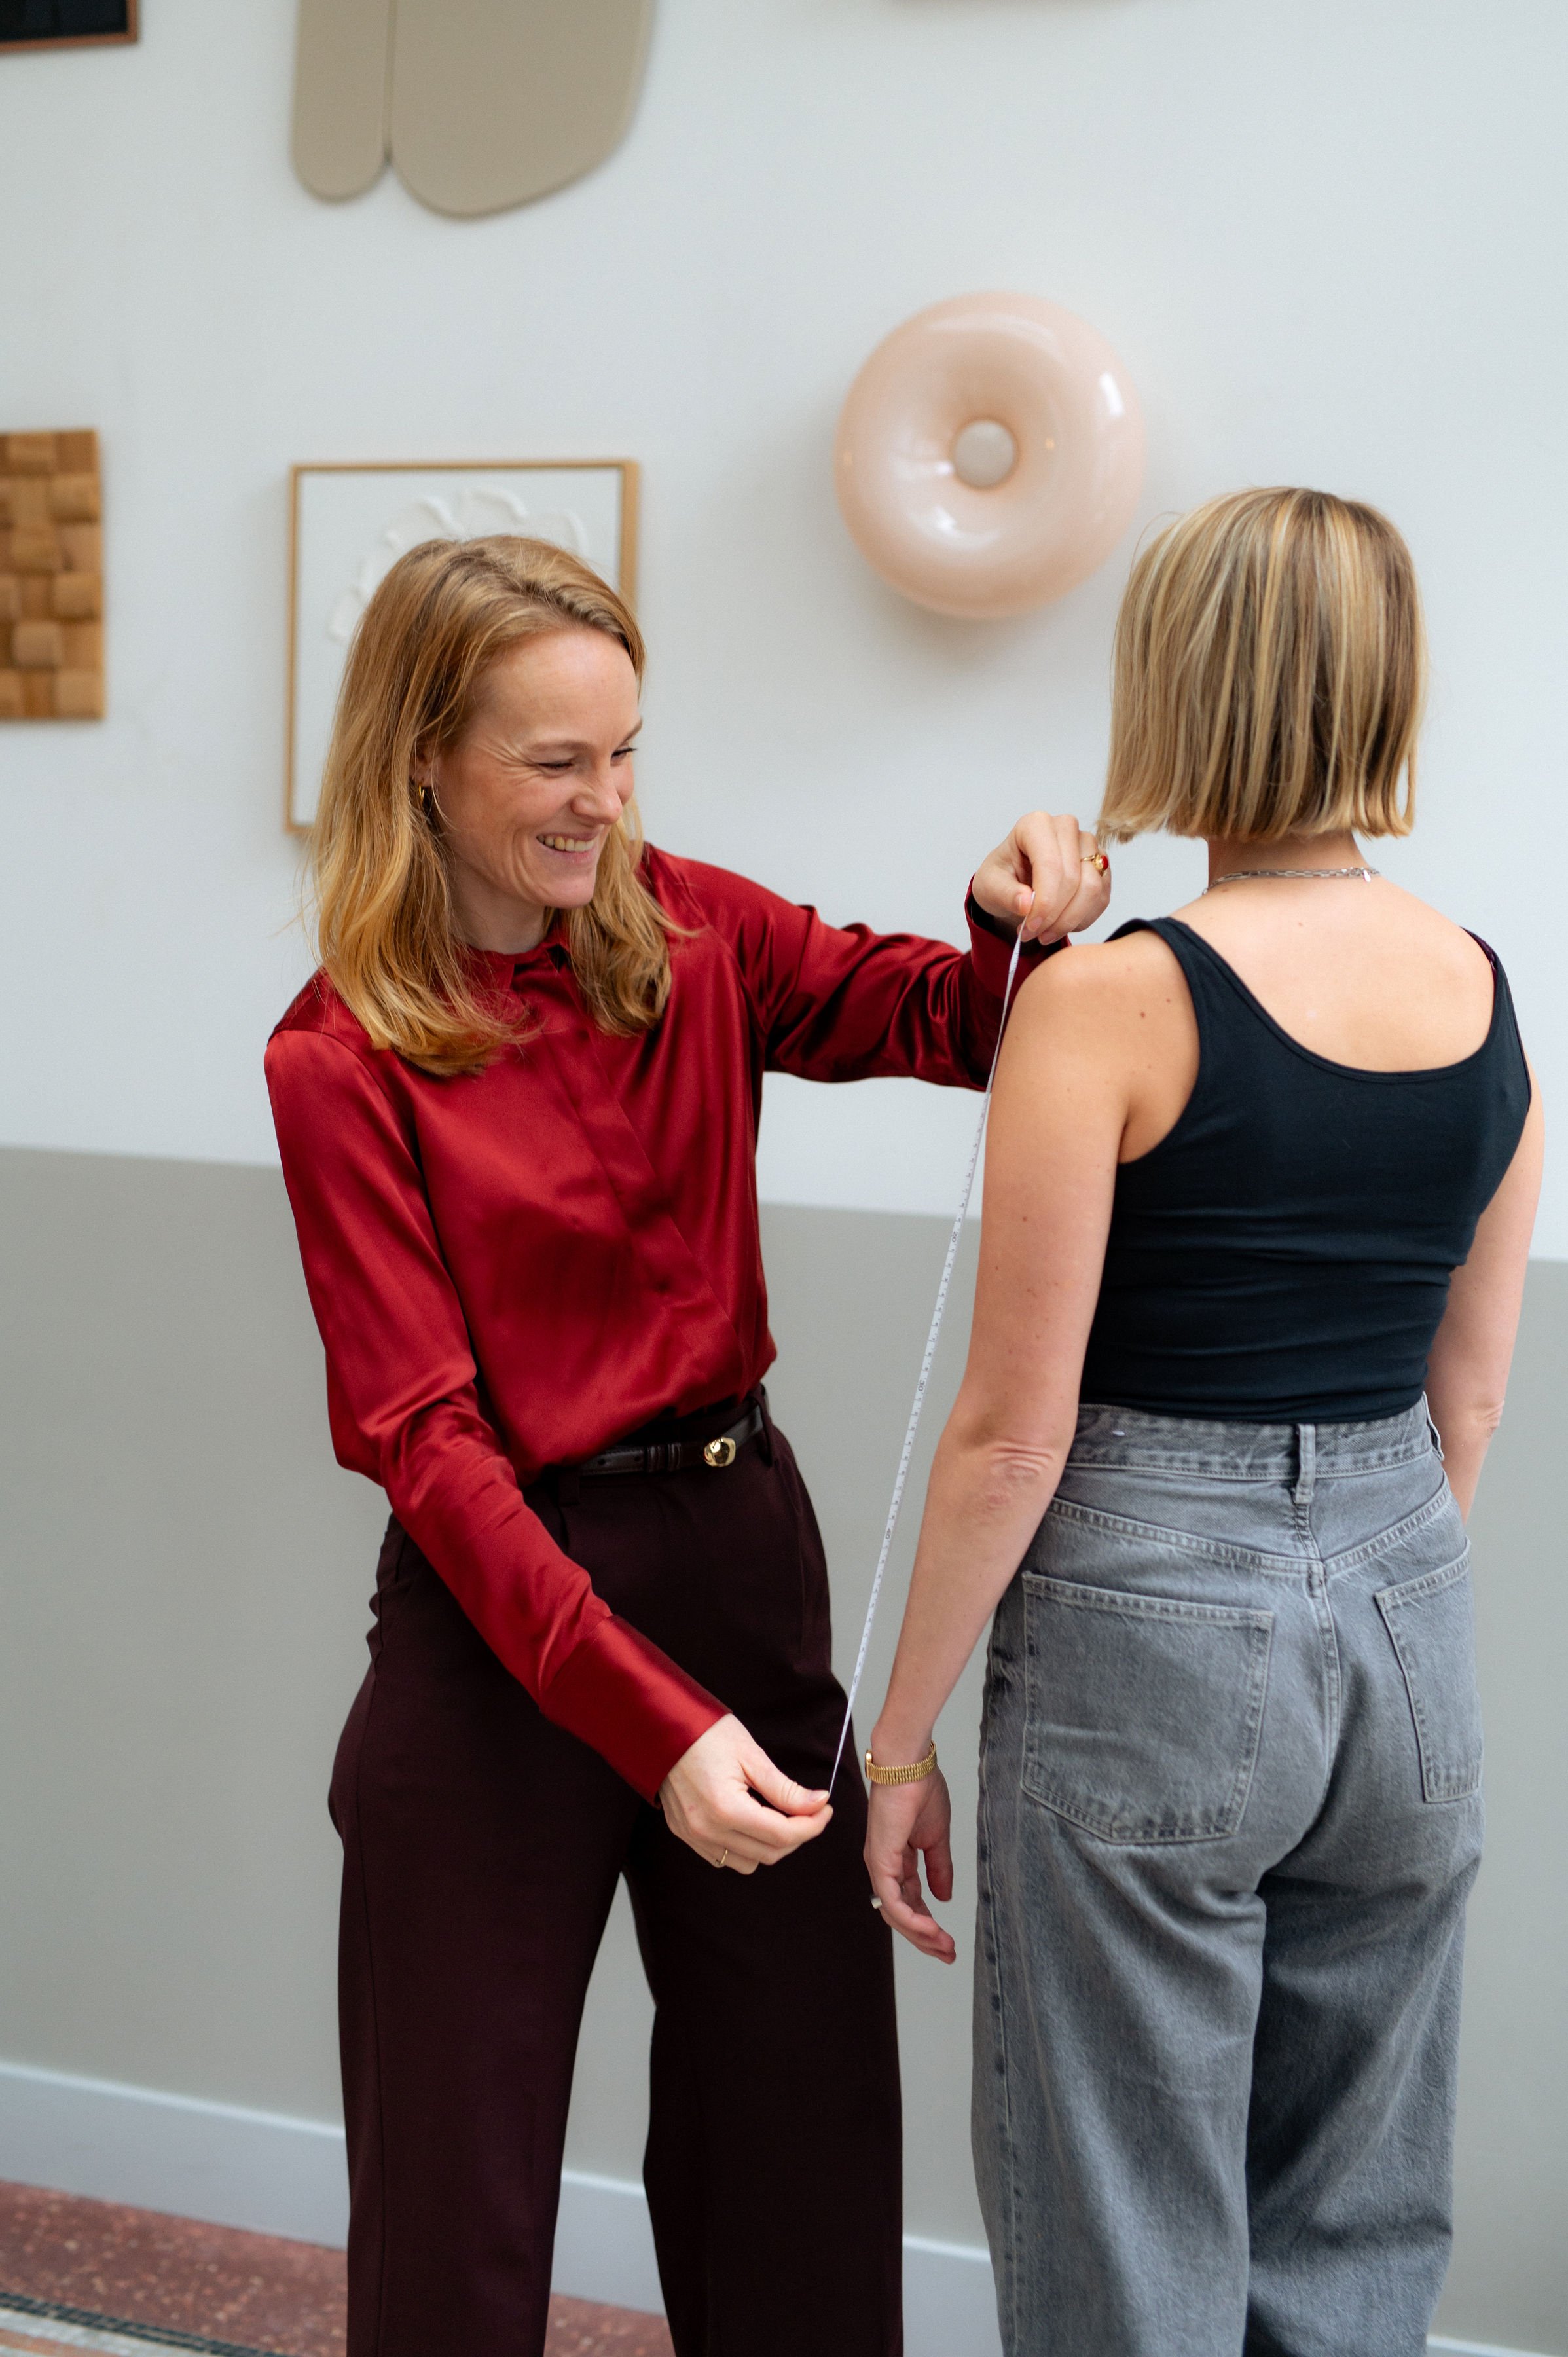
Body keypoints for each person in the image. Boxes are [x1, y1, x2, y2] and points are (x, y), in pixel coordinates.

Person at [264, 533, 1111, 2357]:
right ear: (424, 755)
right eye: (558, 764)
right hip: (501, 1632)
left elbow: (964, 1024)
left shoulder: (693, 925)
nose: (607, 804)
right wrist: (655, 1730)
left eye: (629, 752)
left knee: (797, 2152)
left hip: (742, 1570)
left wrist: (1010, 911)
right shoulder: (337, 1056)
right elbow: (426, 1444)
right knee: (455, 2198)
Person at [864, 487, 1542, 2356]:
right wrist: (1354, 1594)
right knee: (1352, 2209)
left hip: (1149, 1617)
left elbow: (1012, 1435)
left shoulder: (1108, 1007)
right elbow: (1465, 1396)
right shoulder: (1486, 994)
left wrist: (899, 1741)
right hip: (1408, 1606)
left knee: (1122, 2211)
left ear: (1172, 685)